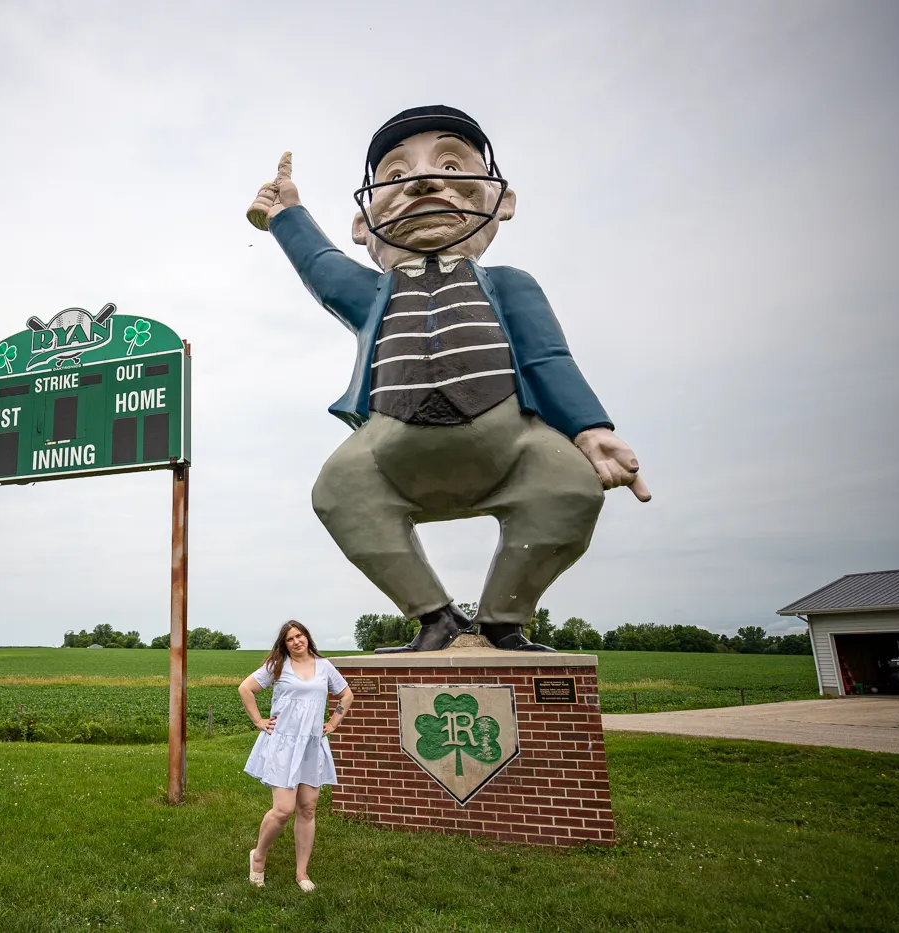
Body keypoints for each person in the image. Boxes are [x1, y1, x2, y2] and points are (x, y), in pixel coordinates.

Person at [246, 105, 650, 653]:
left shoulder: (510, 284)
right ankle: (435, 617)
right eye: (395, 177)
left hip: (510, 440)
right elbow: (321, 265)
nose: (425, 181)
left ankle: (503, 622)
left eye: (453, 166)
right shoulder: (373, 295)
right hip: (390, 448)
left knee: (570, 487)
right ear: (364, 223)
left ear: (500, 202)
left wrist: (589, 427)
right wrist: (286, 214)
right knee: (340, 490)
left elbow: (547, 357)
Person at [239, 620, 354, 891]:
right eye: (290, 639)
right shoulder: (277, 666)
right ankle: (258, 856)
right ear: (284, 644)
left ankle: (302, 873)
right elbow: (246, 689)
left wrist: (334, 722)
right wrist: (258, 720)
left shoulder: (324, 666)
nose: (296, 641)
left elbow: (346, 695)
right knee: (283, 810)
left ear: (307, 637)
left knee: (308, 808)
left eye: (299, 636)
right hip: (283, 744)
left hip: (312, 745)